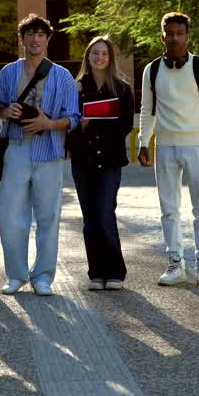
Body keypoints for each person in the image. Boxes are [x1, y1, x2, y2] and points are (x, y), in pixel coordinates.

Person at [137, 12, 199, 289]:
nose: (174, 38)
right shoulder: (152, 70)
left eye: (180, 33)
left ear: (187, 36)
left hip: (197, 144)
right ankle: (175, 262)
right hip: (164, 145)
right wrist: (143, 141)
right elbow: (147, 109)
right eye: (170, 33)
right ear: (162, 36)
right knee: (169, 209)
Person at [0, 13, 80, 296]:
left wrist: (49, 124)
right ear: (21, 39)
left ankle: (43, 276)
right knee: (9, 215)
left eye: (41, 34)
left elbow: (74, 117)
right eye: (30, 34)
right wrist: (6, 110)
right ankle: (16, 275)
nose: (35, 39)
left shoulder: (62, 76)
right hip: (16, 148)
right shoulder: (7, 73)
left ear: (48, 39)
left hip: (50, 151)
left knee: (48, 217)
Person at [66, 37, 134, 292]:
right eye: (95, 53)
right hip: (83, 160)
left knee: (105, 214)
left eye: (104, 53)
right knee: (90, 219)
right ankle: (96, 273)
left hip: (109, 160)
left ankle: (115, 272)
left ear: (110, 58)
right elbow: (67, 128)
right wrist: (80, 127)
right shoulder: (75, 88)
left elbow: (125, 125)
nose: (99, 58)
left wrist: (94, 123)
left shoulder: (122, 88)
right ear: (88, 56)